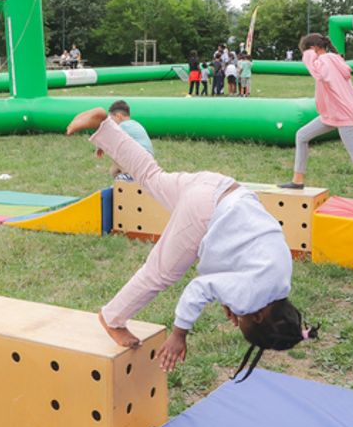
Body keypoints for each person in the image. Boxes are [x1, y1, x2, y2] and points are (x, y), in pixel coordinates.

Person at [67, 107, 317, 379]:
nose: (238, 319)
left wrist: (232, 299)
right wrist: (179, 334)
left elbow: (242, 259)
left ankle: (104, 126)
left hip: (222, 187)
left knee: (151, 176)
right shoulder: (253, 297)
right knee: (160, 273)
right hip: (205, 212)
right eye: (243, 321)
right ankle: (112, 317)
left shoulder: (280, 283)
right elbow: (199, 288)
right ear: (258, 317)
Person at [281, 33, 353, 219]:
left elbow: (319, 74)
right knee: (301, 136)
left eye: (306, 51)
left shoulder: (325, 61)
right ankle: (298, 180)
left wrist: (308, 55)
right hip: (332, 114)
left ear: (313, 49)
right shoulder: (333, 60)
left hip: (343, 116)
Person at [104, 100, 153, 180]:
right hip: (149, 164)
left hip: (140, 164)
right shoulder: (135, 124)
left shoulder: (123, 126)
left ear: (118, 116)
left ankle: (125, 177)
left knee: (116, 155)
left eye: (111, 120)